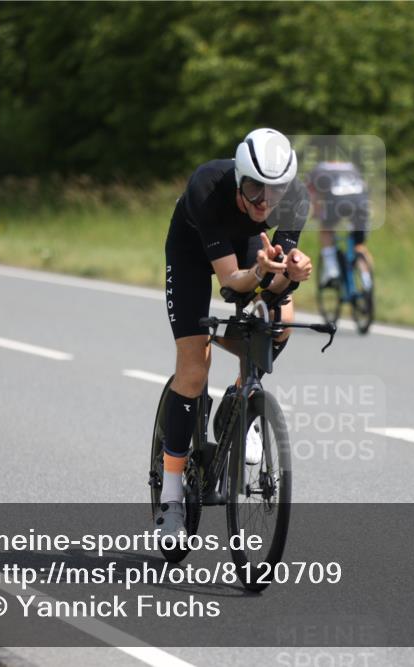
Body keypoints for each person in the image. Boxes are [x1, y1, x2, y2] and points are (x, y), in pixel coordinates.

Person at [156, 128, 312, 538]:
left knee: (280, 323)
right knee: (194, 365)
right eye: (253, 190)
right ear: (238, 177)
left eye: (274, 193)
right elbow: (232, 281)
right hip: (193, 250)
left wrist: (289, 275)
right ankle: (171, 499)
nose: (264, 203)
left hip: (247, 249)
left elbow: (273, 287)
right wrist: (262, 271)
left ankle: (244, 407)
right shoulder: (208, 185)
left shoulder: (296, 199)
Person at [306, 160, 373, 287]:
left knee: (325, 229)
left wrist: (316, 212)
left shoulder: (317, 169)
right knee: (359, 245)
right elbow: (364, 187)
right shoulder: (352, 166)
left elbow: (313, 194)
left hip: (336, 201)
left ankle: (332, 270)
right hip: (360, 203)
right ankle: (367, 281)